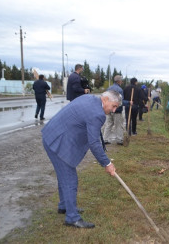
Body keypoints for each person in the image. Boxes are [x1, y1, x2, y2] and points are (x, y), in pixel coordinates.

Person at [42, 90, 121, 229]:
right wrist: (107, 163)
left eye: (116, 108)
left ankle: (64, 206)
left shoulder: (90, 98)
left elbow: (96, 136)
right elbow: (94, 143)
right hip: (57, 140)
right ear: (106, 99)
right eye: (113, 106)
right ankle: (72, 218)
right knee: (70, 179)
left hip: (53, 134)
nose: (114, 110)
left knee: (64, 176)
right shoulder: (97, 113)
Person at [103, 75, 132, 145]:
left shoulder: (109, 88)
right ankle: (119, 140)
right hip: (117, 110)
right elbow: (120, 102)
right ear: (119, 81)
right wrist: (128, 102)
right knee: (118, 125)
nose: (122, 82)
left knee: (108, 124)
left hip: (109, 109)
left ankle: (105, 139)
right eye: (121, 80)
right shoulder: (119, 90)